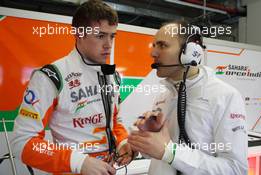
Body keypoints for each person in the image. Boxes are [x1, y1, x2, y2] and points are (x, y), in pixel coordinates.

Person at [11, 0, 134, 175]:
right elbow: (22, 142)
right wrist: (78, 162)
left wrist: (122, 143)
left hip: (109, 169)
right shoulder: (52, 76)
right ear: (78, 34)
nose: (109, 44)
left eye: (112, 36)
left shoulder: (111, 75)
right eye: (100, 36)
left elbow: (114, 121)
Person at [128, 21, 248, 175]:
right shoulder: (164, 95)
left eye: (162, 45)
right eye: (154, 46)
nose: (153, 53)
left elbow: (235, 169)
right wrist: (144, 141)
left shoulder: (225, 96)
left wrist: (170, 152)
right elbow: (159, 151)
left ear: (191, 52)